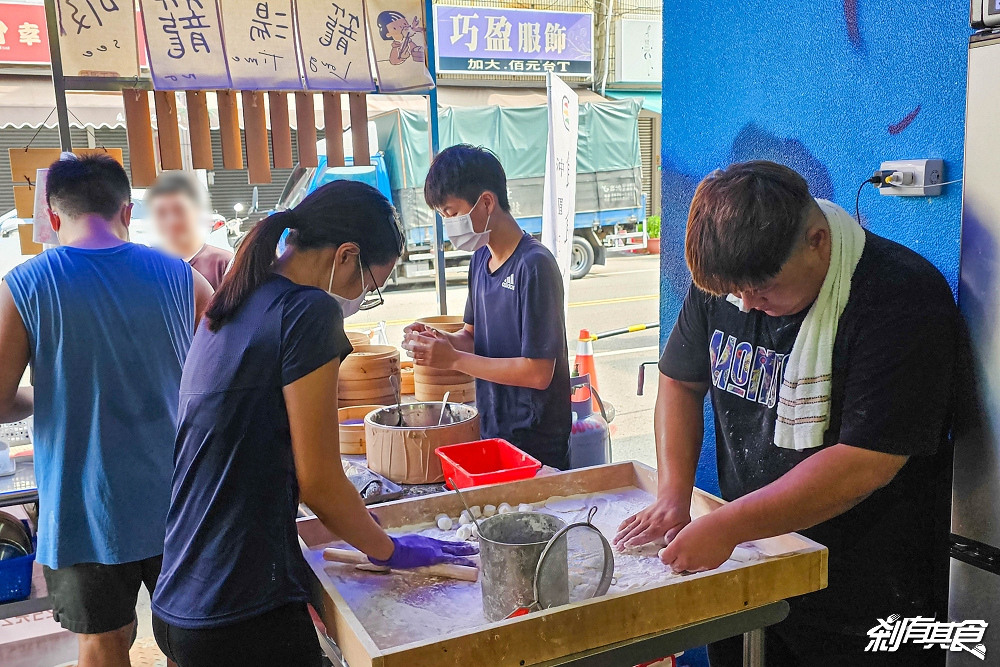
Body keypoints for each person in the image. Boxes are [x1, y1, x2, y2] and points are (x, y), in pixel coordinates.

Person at [614, 161, 957, 666]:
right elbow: (680, 381)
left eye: (765, 289)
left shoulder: (901, 295)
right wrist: (672, 495)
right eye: (736, 293)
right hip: (753, 558)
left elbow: (867, 461)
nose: (748, 305)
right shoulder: (733, 281)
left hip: (869, 582)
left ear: (817, 240)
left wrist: (729, 526)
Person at [151, 180, 476, 667]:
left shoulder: (241, 297)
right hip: (238, 606)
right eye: (369, 285)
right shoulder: (308, 311)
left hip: (181, 594)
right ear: (346, 255)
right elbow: (319, 482)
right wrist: (388, 549)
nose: (361, 297)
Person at [0, 154, 213, 666]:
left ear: (52, 218)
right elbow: (218, 385)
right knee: (193, 639)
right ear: (125, 208)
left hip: (82, 504)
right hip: (180, 499)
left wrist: (49, 395)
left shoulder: (23, 286)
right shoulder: (185, 279)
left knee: (101, 642)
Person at [403, 145, 571, 469]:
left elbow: (538, 373)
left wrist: (453, 359)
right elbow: (471, 338)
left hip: (537, 442)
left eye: (452, 213)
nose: (449, 224)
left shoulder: (534, 265)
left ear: (487, 202)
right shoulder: (480, 258)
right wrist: (437, 340)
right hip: (494, 430)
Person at [147, 171, 233, 289]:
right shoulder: (147, 265)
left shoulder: (224, 263)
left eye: (179, 211)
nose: (170, 221)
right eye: (161, 212)